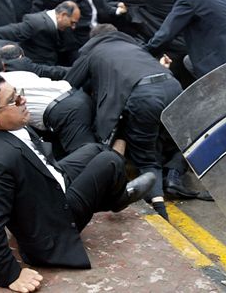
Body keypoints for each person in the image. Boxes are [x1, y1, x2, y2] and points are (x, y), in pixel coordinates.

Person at [0, 75, 155, 292]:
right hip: (56, 220)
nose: (22, 101)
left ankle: (112, 195)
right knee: (110, 161)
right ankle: (118, 198)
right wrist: (9, 274)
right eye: (13, 100)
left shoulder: (0, 126)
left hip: (48, 181)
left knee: (94, 149)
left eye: (19, 94)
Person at [66, 24, 183, 220]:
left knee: (146, 158)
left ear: (93, 38)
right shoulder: (135, 47)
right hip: (173, 86)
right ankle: (173, 175)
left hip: (145, 97)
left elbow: (69, 84)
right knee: (175, 141)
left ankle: (161, 212)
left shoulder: (94, 52)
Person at [0, 1, 81, 65]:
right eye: (72, 23)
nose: (73, 27)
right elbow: (9, 32)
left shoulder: (54, 25)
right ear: (63, 15)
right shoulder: (36, 24)